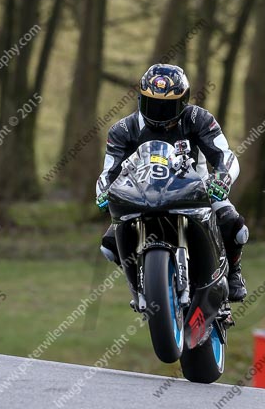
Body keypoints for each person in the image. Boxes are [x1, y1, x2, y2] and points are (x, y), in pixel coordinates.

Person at [96, 63, 248, 301]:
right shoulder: (123, 130)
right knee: (108, 246)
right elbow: (109, 172)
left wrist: (222, 179)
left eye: (167, 106)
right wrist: (104, 192)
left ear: (183, 102)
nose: (159, 112)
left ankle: (233, 274)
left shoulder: (198, 118)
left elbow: (225, 155)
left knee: (234, 226)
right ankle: (142, 283)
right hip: (142, 195)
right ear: (140, 99)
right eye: (152, 103)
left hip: (196, 190)